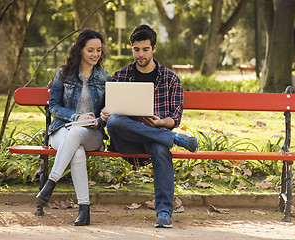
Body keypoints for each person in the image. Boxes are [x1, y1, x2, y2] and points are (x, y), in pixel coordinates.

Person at [101, 25, 199, 228]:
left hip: (155, 139)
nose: (140, 54)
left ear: (154, 48)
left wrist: (161, 123)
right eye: (136, 49)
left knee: (160, 148)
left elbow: (175, 118)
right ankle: (174, 139)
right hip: (126, 142)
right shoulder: (119, 77)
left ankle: (164, 212)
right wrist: (104, 114)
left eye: (145, 49)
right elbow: (107, 114)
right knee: (115, 121)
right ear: (132, 49)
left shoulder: (171, 79)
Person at [36, 29, 110, 226]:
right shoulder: (64, 73)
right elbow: (53, 106)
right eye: (90, 50)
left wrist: (100, 120)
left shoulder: (104, 77)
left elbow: (108, 111)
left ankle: (50, 183)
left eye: (99, 50)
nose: (95, 55)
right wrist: (76, 116)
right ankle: (84, 210)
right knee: (76, 152)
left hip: (91, 133)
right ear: (80, 50)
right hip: (62, 129)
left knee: (78, 132)